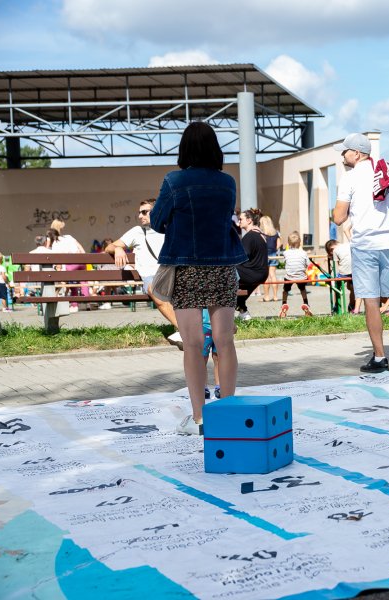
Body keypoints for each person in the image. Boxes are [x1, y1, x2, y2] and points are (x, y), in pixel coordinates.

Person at [149, 120, 246, 436]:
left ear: (185, 149)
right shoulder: (227, 183)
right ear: (215, 149)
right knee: (225, 341)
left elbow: (157, 221)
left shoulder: (174, 181)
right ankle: (228, 413)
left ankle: (199, 418)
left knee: (192, 344)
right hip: (221, 268)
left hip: (187, 268)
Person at [331, 132, 389, 372]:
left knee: (372, 301)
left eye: (345, 151)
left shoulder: (349, 177)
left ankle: (380, 358)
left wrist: (354, 208)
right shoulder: (387, 170)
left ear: (357, 153)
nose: (343, 155)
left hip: (365, 245)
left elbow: (339, 217)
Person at [105, 198, 181, 346]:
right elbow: (110, 247)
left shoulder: (171, 228)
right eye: (139, 213)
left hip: (172, 273)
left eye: (144, 212)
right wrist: (119, 248)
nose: (140, 216)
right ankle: (185, 331)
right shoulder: (137, 232)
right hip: (152, 276)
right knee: (155, 289)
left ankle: (205, 327)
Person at [235, 208, 269, 320]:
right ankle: (243, 312)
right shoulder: (259, 234)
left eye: (241, 219)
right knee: (237, 295)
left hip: (252, 273)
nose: (238, 221)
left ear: (249, 220)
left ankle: (223, 317)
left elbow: (242, 256)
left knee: (224, 273)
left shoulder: (250, 236)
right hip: (261, 273)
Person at [49, 218, 89, 304]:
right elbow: (81, 249)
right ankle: (87, 303)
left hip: (70, 265)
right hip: (81, 262)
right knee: (84, 281)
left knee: (73, 283)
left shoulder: (56, 242)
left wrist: (58, 268)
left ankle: (74, 304)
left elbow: (57, 258)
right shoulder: (69, 237)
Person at [281, 231, 312, 317]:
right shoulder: (303, 253)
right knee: (303, 289)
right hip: (301, 277)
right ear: (300, 242)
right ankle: (305, 303)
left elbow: (285, 262)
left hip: (289, 276)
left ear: (288, 243)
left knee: (285, 290)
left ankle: (284, 304)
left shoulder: (286, 253)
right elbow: (308, 264)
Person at [325, 238, 358, 314]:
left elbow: (338, 265)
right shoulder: (349, 244)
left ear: (331, 249)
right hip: (355, 272)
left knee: (336, 285)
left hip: (344, 273)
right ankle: (351, 306)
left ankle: (337, 306)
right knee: (353, 288)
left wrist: (331, 257)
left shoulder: (335, 250)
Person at [259, 215, 281, 302]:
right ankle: (275, 296)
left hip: (264, 255)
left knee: (266, 276)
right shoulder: (275, 233)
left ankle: (267, 296)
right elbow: (279, 243)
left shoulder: (262, 233)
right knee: (273, 275)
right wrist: (275, 249)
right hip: (273, 254)